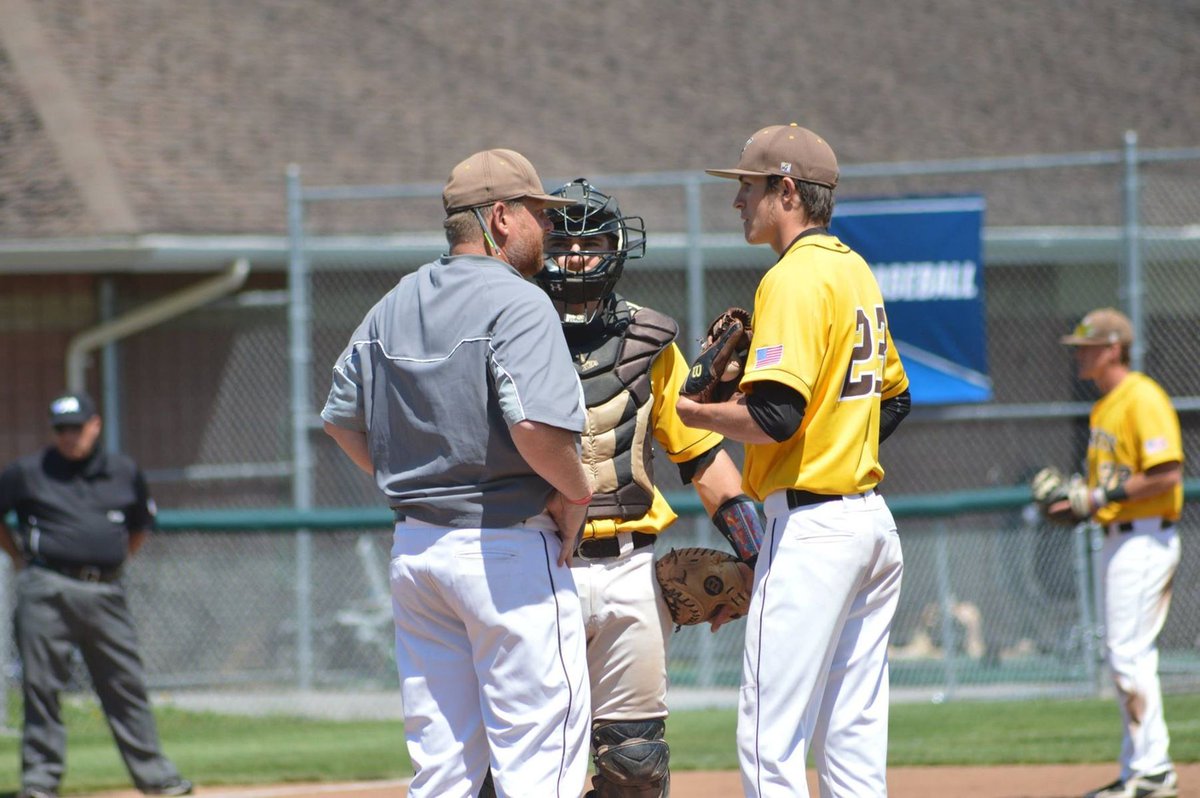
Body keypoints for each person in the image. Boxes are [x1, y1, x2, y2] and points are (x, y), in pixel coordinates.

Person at [321, 148, 595, 798]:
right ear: (500, 217)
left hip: (418, 554)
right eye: (538, 214)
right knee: (541, 767)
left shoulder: (395, 302)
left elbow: (338, 419)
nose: (549, 229)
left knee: (443, 773)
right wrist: (576, 491)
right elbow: (533, 429)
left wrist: (409, 479)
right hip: (506, 551)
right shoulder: (520, 302)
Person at [677, 124, 912, 797]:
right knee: (852, 735)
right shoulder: (852, 269)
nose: (737, 202)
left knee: (768, 736)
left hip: (812, 535)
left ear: (787, 190)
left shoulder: (791, 278)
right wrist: (838, 446)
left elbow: (775, 419)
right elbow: (894, 401)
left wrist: (694, 413)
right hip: (869, 527)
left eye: (747, 187)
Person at [528, 178, 757, 797]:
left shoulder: (650, 342)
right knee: (526, 758)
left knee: (635, 768)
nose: (576, 257)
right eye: (562, 243)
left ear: (618, 247)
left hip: (631, 568)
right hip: (537, 564)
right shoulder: (509, 335)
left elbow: (701, 458)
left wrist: (759, 552)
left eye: (591, 242)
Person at [0, 392, 193, 798]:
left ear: (95, 425)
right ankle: (40, 782)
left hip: (105, 589)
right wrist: (19, 558)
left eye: (77, 426)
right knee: (41, 687)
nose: (70, 436)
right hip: (46, 587)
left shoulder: (123, 471)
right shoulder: (28, 471)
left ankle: (156, 778)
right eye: (61, 429)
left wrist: (114, 562)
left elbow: (141, 524)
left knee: (125, 685)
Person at [1051, 308, 1182, 798]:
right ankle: (1139, 771)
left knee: (1128, 653)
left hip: (1145, 537)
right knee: (1124, 654)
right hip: (1118, 537)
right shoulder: (1104, 406)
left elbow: (1167, 473)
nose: (1079, 355)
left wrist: (1098, 498)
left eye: (1085, 346)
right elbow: (1103, 486)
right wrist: (1074, 500)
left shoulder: (1140, 396)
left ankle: (1152, 771)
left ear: (1112, 348)